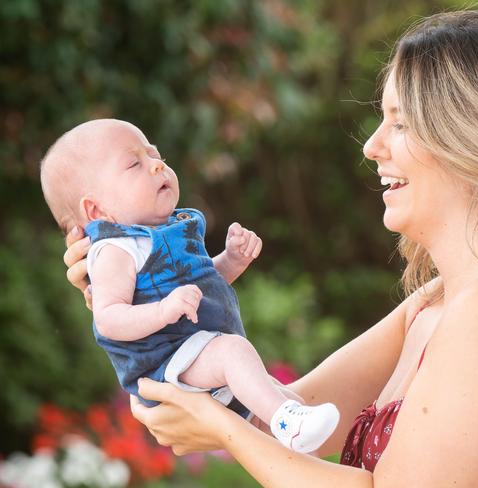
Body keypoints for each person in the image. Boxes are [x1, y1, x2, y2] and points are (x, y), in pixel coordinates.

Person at [62, 10, 478, 487]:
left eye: (399, 122)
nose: (371, 147)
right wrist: (130, 287)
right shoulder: (434, 307)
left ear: (477, 141)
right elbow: (285, 417)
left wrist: (221, 428)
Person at [41, 119, 340, 454]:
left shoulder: (171, 229)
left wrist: (230, 261)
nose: (157, 165)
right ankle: (289, 425)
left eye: (157, 156)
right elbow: (108, 319)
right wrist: (163, 310)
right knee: (235, 355)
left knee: (284, 398)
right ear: (96, 210)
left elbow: (197, 286)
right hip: (166, 362)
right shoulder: (116, 249)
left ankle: (303, 442)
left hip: (196, 352)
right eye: (134, 164)